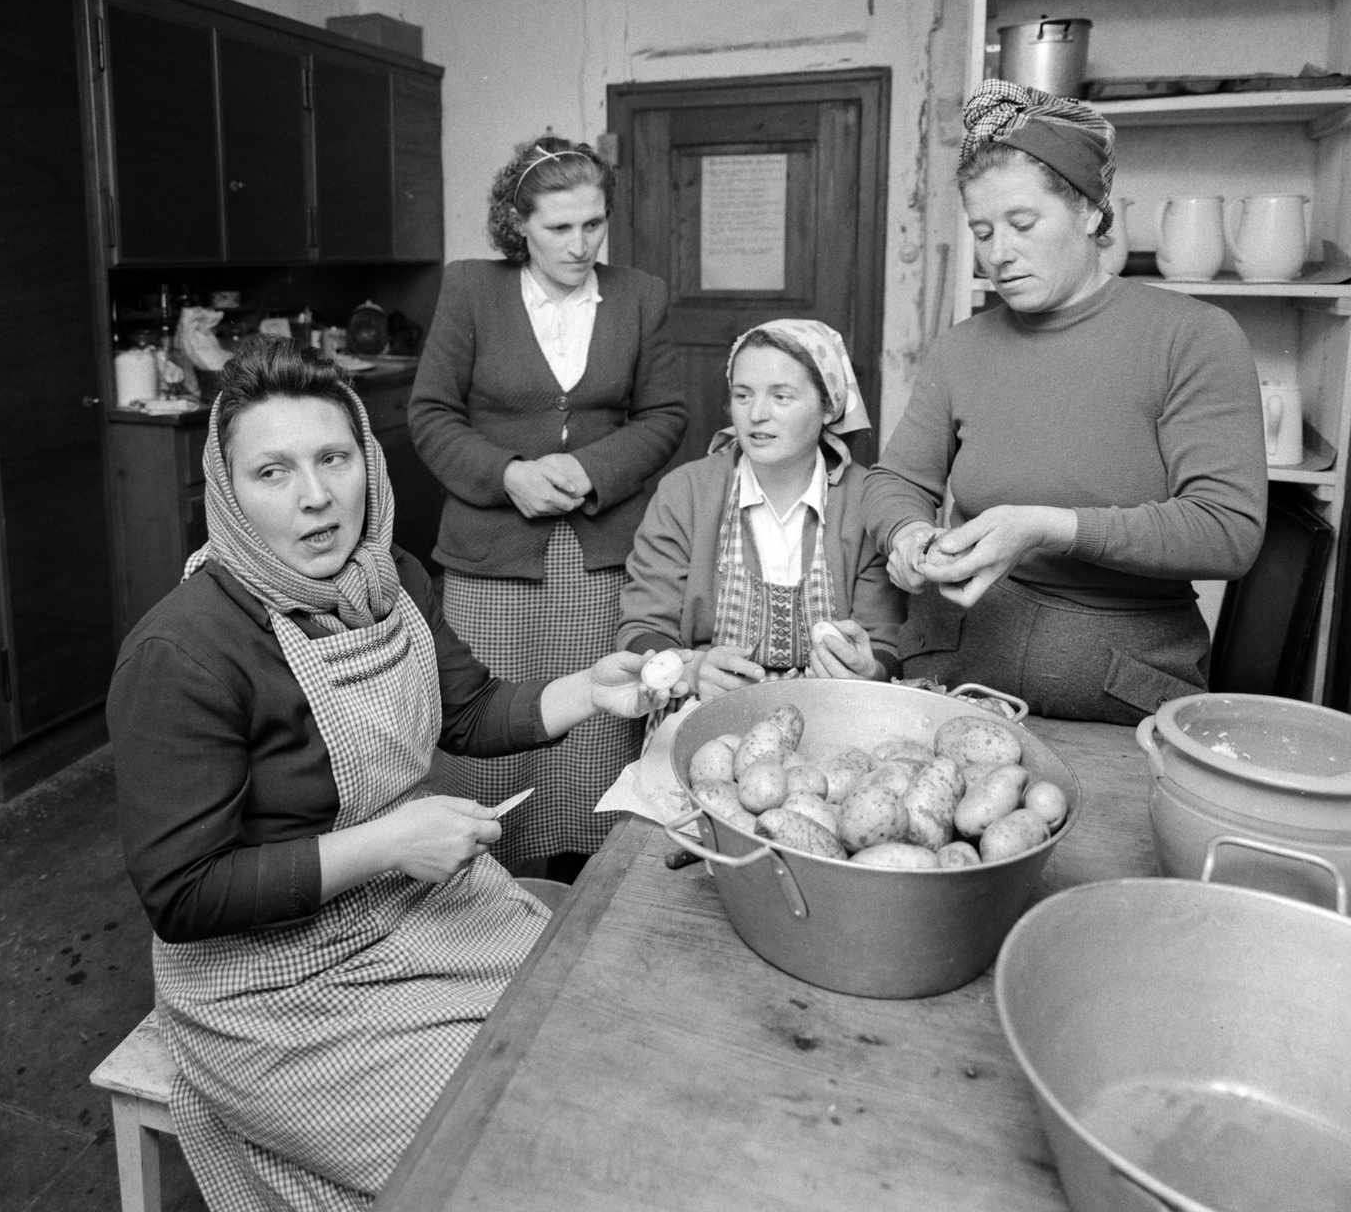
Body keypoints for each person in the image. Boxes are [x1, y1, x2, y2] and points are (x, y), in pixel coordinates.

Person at [107, 339, 661, 1212]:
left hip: (414, 911)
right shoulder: (184, 651)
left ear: (367, 460)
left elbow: (469, 711)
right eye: (273, 472)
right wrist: (390, 844)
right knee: (498, 1153)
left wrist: (589, 689)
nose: (316, 496)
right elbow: (183, 895)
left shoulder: (390, 580)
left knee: (592, 1052)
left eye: (334, 458)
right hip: (271, 987)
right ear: (228, 493)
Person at [862, 80, 1268, 722]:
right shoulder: (962, 348)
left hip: (1120, 690)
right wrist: (906, 533)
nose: (999, 254)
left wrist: (1052, 526)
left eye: (1023, 224)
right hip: (954, 672)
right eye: (983, 232)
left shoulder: (1191, 337)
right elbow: (895, 481)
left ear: (1090, 213)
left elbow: (1226, 531)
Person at [408, 135, 688, 877]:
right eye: (559, 227)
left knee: (598, 724)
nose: (579, 244)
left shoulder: (640, 296)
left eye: (593, 224)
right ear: (518, 223)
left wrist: (591, 469)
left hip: (602, 555)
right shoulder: (471, 289)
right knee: (491, 724)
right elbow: (431, 414)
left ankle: (586, 878)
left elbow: (665, 415)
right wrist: (508, 475)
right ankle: (489, 879)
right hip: (492, 557)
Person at [617, 318, 903, 688]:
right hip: (699, 705)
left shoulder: (868, 500)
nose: (756, 415)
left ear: (829, 407)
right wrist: (689, 670)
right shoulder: (685, 493)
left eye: (781, 397)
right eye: (743, 395)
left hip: (834, 709)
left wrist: (870, 670)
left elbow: (886, 645)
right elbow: (642, 628)